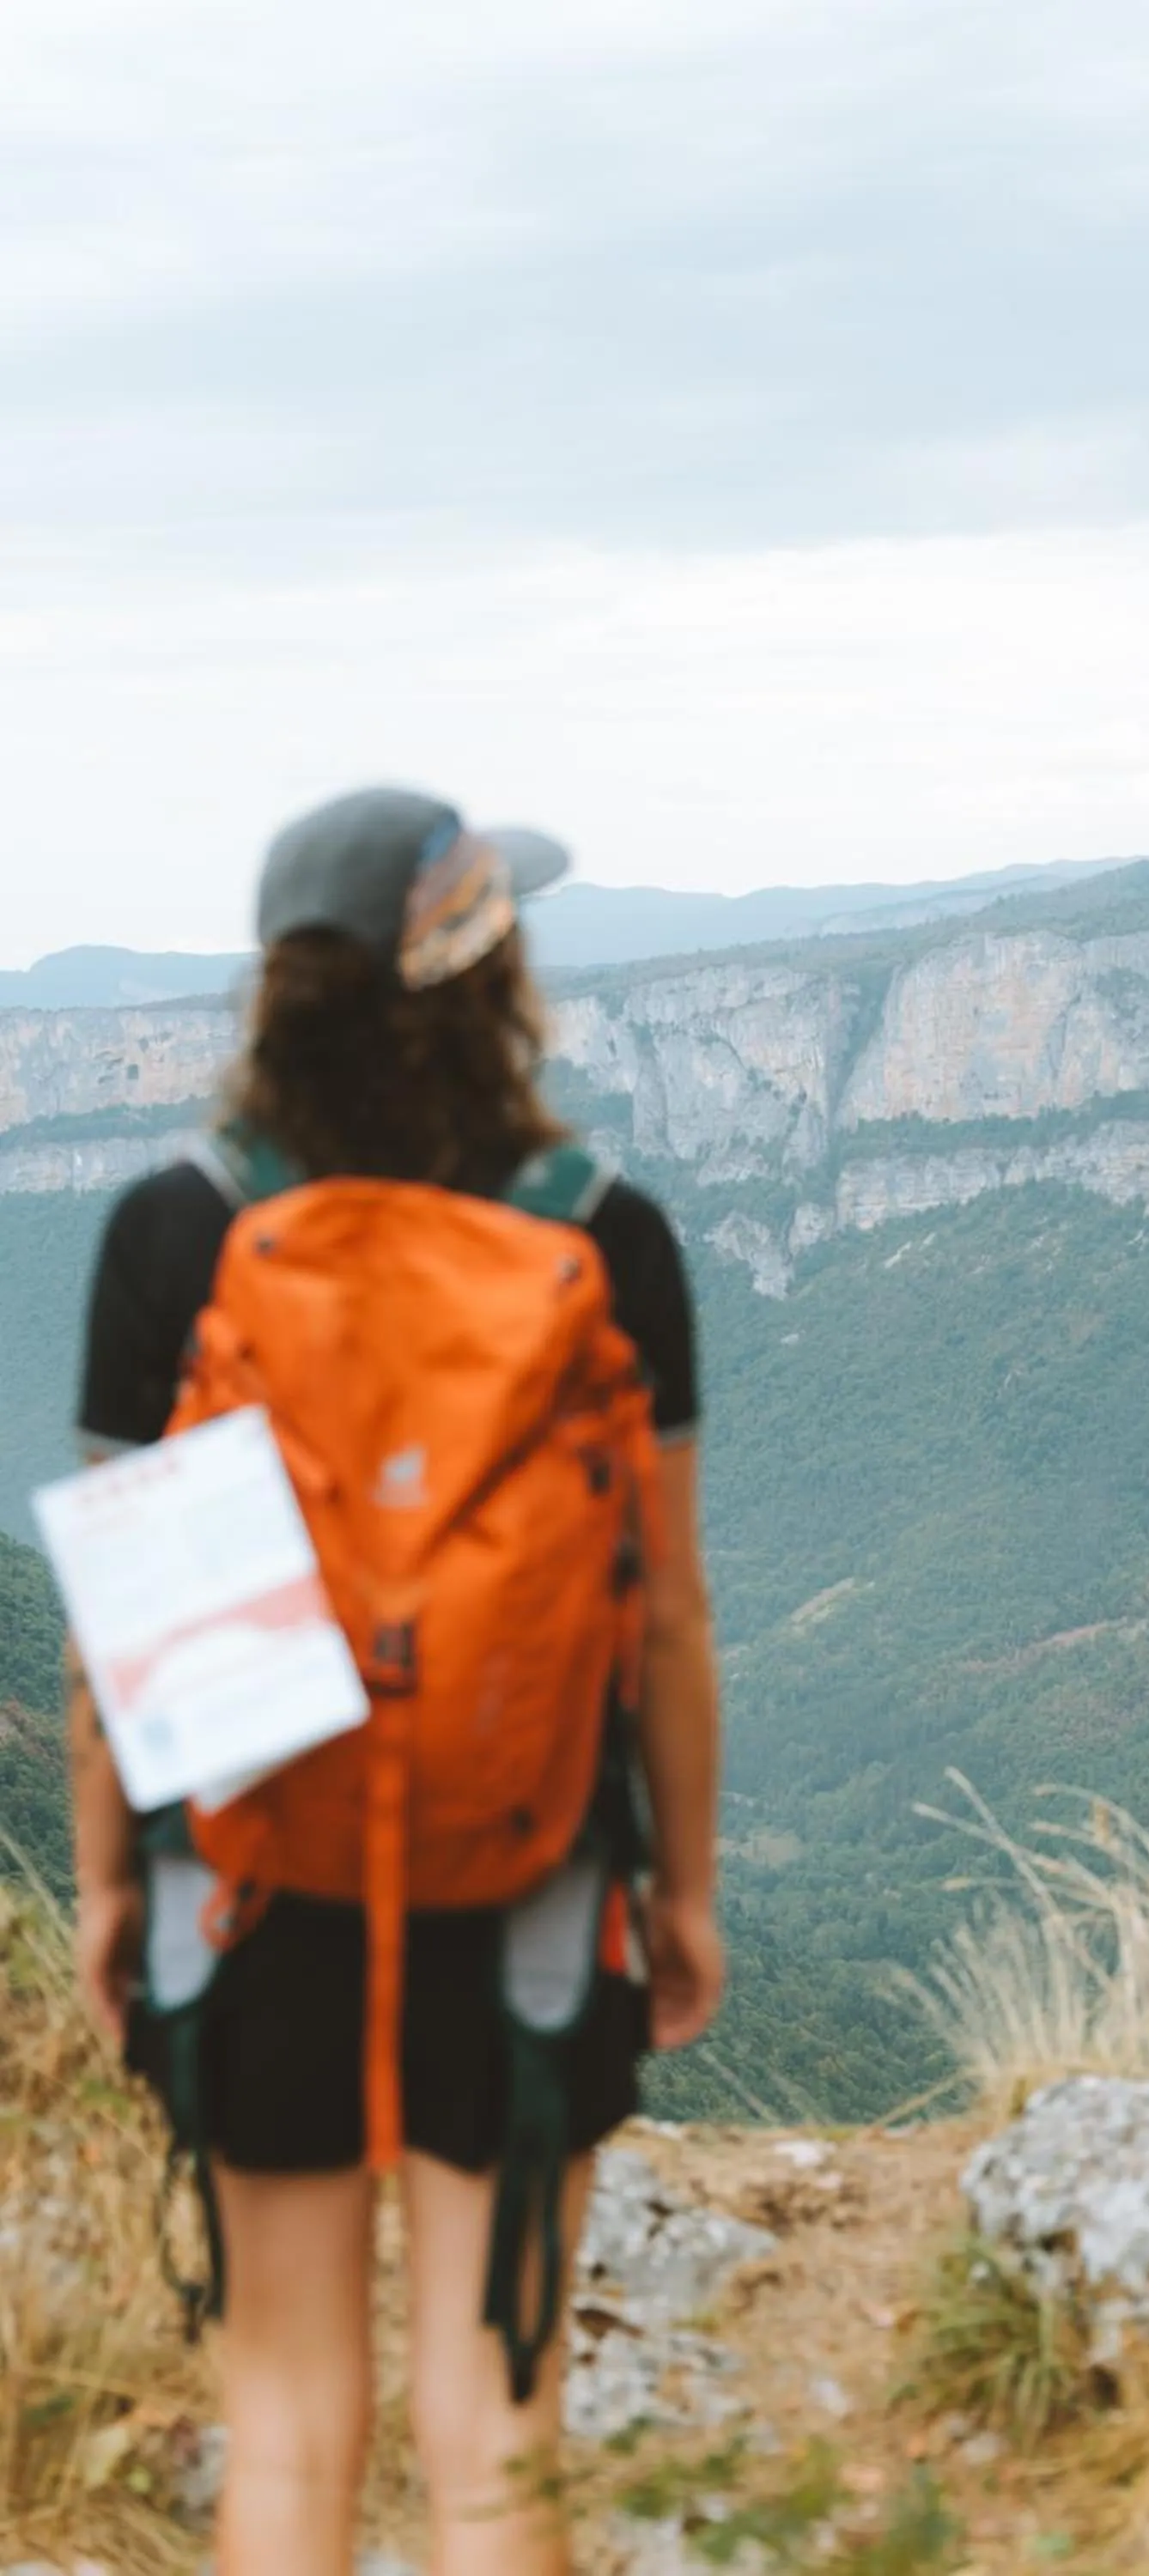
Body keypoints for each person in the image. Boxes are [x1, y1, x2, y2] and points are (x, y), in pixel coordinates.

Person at [64, 787, 724, 2576]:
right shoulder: (603, 1229)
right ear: (486, 972)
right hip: (533, 1869)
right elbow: (660, 1614)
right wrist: (682, 1890)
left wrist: (115, 1887)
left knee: (283, 2426)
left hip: (250, 1861)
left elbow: (124, 1632)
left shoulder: (174, 1231)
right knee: (495, 2429)